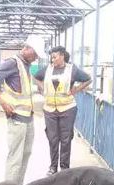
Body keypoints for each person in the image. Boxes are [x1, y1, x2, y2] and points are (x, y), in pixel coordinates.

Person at [0, 35, 46, 185]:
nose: (36, 57)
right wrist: (2, 102)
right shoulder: (12, 63)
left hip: (28, 117)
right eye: (35, 54)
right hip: (17, 118)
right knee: (15, 158)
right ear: (27, 48)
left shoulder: (26, 65)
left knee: (25, 154)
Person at [34, 46, 92, 176]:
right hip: (49, 109)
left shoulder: (72, 69)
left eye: (55, 57)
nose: (52, 59)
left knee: (65, 139)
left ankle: (64, 168)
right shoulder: (48, 69)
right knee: (52, 139)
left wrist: (77, 89)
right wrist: (42, 87)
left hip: (67, 108)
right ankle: (53, 167)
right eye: (51, 57)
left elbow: (88, 79)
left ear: (62, 56)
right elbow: (36, 77)